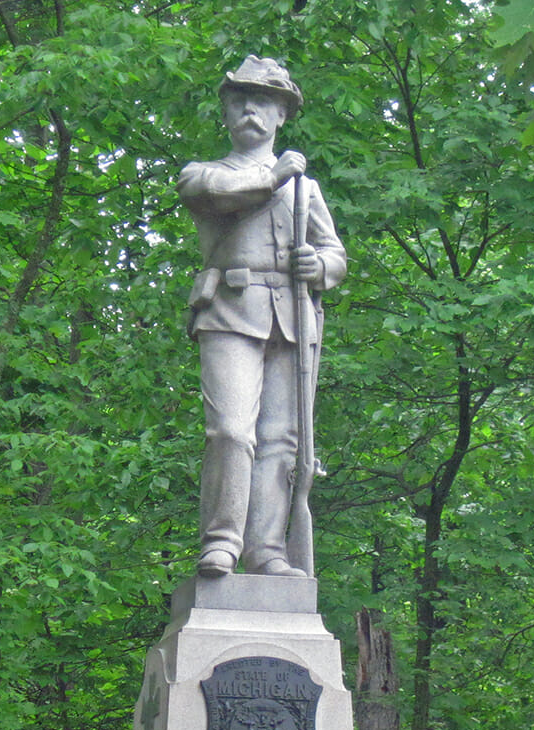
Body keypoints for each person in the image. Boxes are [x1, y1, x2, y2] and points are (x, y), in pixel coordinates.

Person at [178, 56, 346, 579]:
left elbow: (336, 255)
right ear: (226, 113)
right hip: (230, 311)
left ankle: (267, 550)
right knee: (230, 430)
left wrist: (318, 266)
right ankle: (222, 541)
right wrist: (273, 177)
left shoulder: (306, 190)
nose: (251, 108)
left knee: (282, 442)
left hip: (294, 319)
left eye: (265, 101)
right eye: (239, 100)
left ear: (281, 116)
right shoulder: (204, 175)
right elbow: (218, 197)